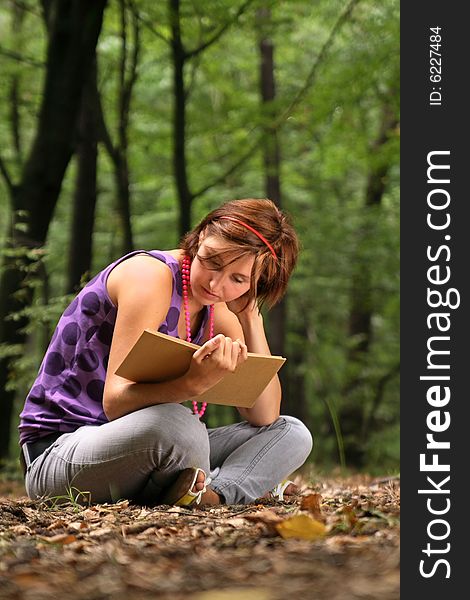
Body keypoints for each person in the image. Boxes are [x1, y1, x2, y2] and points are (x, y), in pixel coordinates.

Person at [19, 198, 313, 506]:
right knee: (180, 426)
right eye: (212, 261)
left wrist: (251, 319)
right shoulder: (150, 277)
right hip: (58, 454)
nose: (216, 283)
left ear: (256, 284)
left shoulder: (217, 309)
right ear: (199, 239)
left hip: (145, 448)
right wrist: (191, 385)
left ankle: (214, 494)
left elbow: (263, 414)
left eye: (238, 279)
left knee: (290, 432)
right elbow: (115, 402)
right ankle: (224, 484)